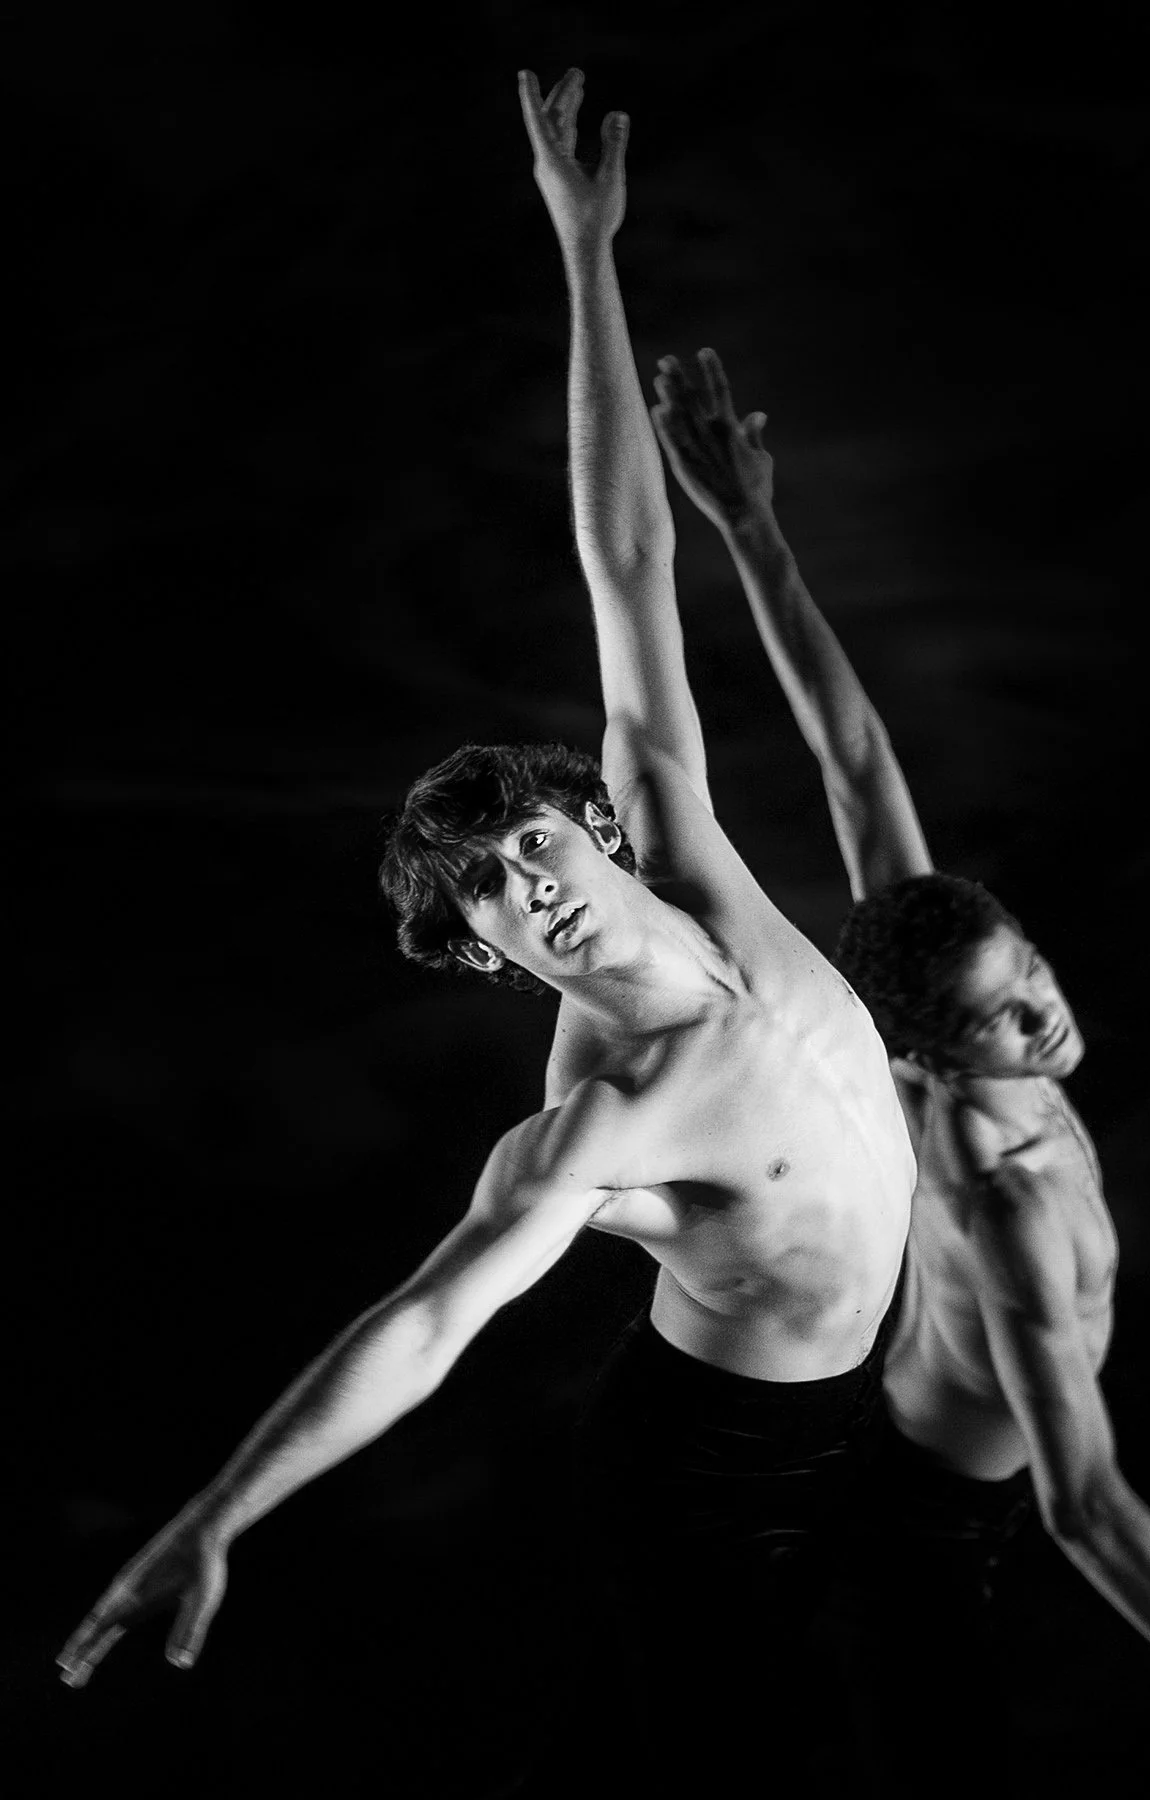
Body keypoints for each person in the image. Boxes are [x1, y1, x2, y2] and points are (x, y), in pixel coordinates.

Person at [56, 72, 917, 1797]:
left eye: (534, 843)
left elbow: (625, 560)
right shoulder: (600, 1118)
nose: (533, 885)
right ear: (481, 956)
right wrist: (222, 1511)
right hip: (720, 1467)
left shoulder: (681, 832)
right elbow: (427, 1322)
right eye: (491, 896)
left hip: (868, 1408)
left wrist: (584, 247)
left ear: (593, 826)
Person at [650, 345, 1150, 1780]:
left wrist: (752, 526)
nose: (1046, 1023)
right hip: (920, 1531)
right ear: (934, 1055)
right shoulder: (1001, 1198)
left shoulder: (937, 958)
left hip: (896, 1450)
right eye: (1005, 1021)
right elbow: (1082, 1499)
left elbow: (854, 759)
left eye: (1036, 975)